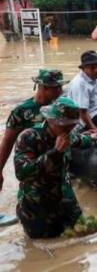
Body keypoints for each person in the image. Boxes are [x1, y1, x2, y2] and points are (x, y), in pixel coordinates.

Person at [14, 97, 97, 238]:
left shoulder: (67, 134)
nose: (68, 129)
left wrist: (93, 137)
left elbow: (80, 140)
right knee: (43, 244)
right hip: (37, 204)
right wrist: (55, 153)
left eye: (71, 126)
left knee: (84, 235)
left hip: (65, 198)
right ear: (51, 120)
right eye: (64, 126)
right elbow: (22, 173)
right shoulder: (29, 137)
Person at [0, 69, 68, 227]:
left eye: (60, 87)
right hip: (32, 164)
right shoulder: (23, 111)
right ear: (43, 87)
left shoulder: (58, 107)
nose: (60, 91)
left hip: (54, 162)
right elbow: (8, 141)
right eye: (55, 88)